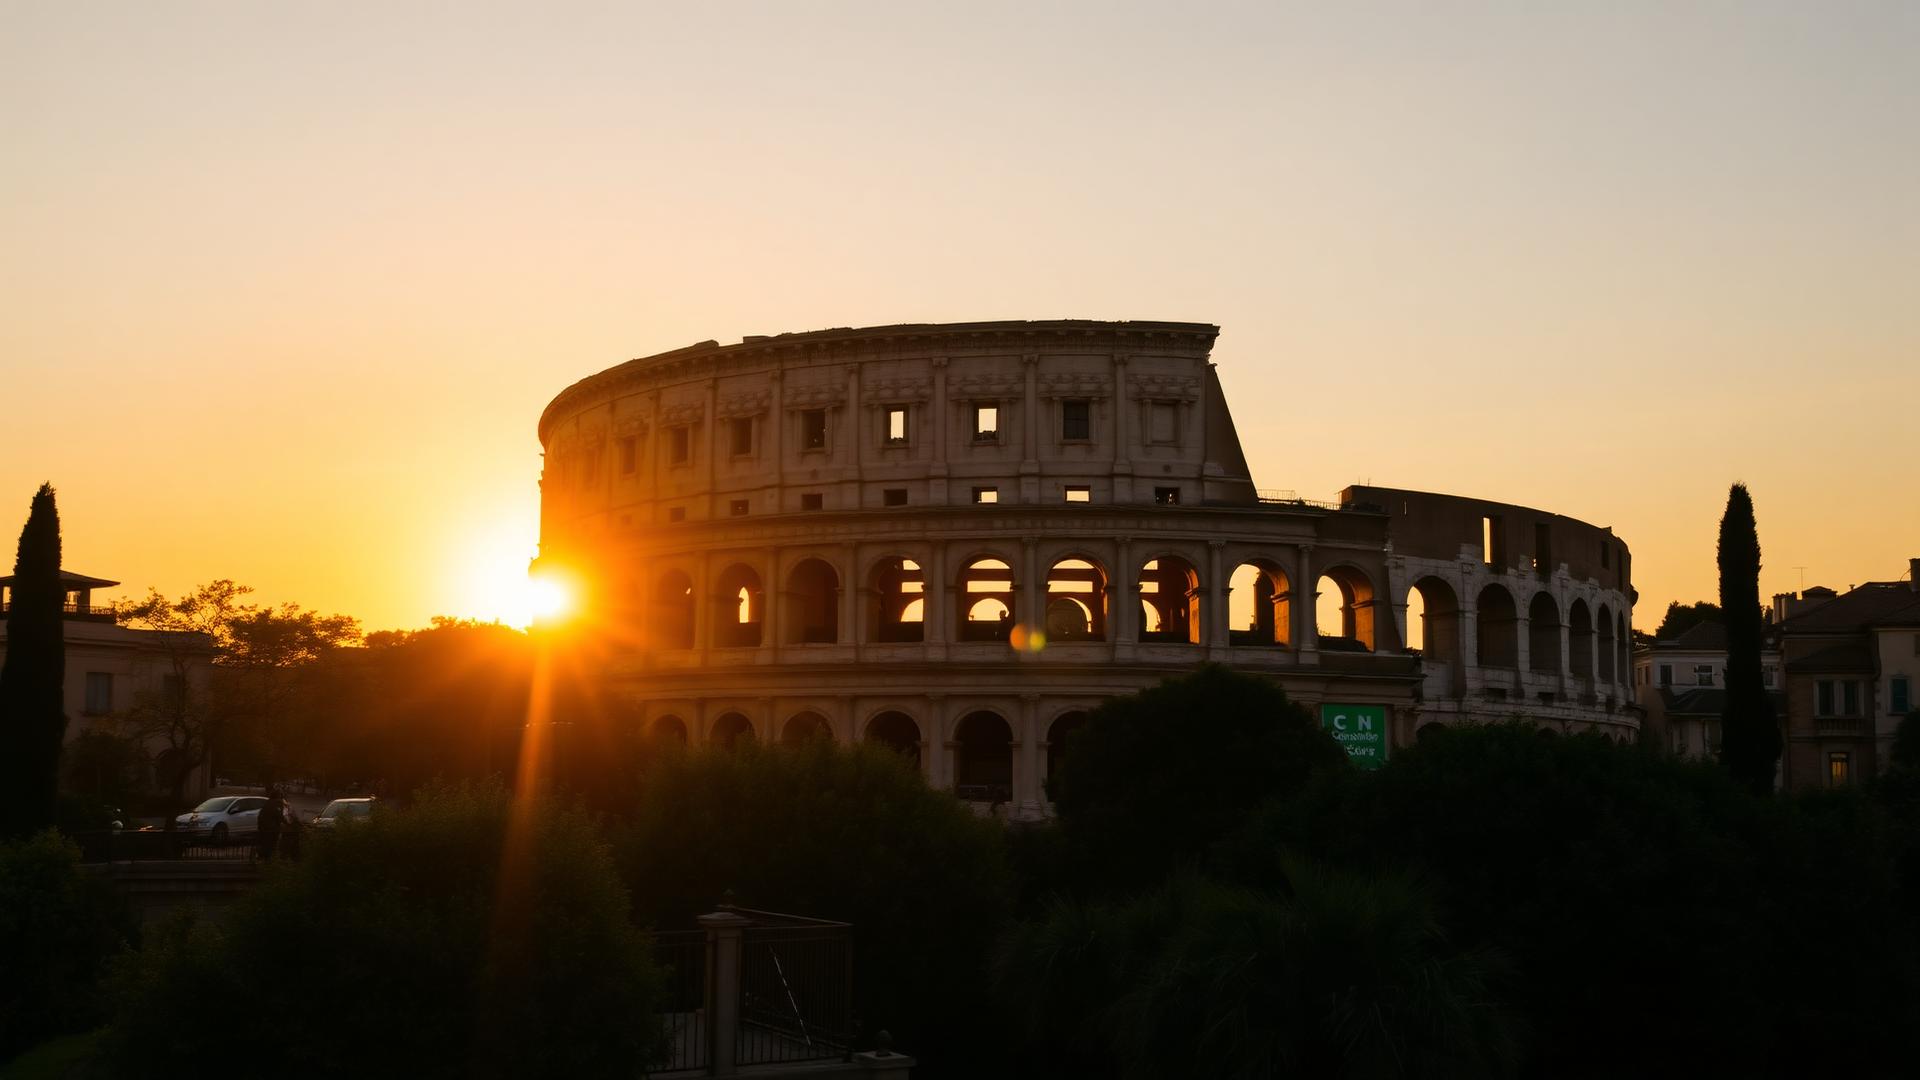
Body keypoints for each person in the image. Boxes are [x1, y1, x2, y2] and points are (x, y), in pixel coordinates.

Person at [257, 787, 285, 860]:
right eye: (281, 795)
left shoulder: (268, 802)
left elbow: (261, 815)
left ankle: (262, 859)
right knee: (271, 845)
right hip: (272, 829)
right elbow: (279, 816)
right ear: (279, 795)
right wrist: (286, 823)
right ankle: (269, 861)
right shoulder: (278, 803)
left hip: (263, 828)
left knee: (264, 844)